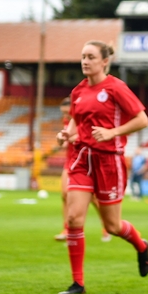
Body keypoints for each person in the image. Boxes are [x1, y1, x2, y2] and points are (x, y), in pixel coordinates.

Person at [55, 40, 148, 294]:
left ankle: (142, 246)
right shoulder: (78, 91)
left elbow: (142, 119)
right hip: (81, 159)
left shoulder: (116, 87)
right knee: (74, 218)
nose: (85, 61)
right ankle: (78, 283)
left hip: (109, 162)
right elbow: (77, 118)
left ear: (104, 61)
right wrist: (67, 134)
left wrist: (112, 133)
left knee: (113, 226)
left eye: (91, 57)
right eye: (83, 56)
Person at [55, 96, 111, 243]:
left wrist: (70, 138)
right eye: (63, 113)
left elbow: (85, 135)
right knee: (65, 194)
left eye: (67, 112)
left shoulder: (84, 118)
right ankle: (68, 228)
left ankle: (106, 225)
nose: (65, 115)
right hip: (70, 160)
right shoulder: (67, 121)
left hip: (85, 161)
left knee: (93, 198)